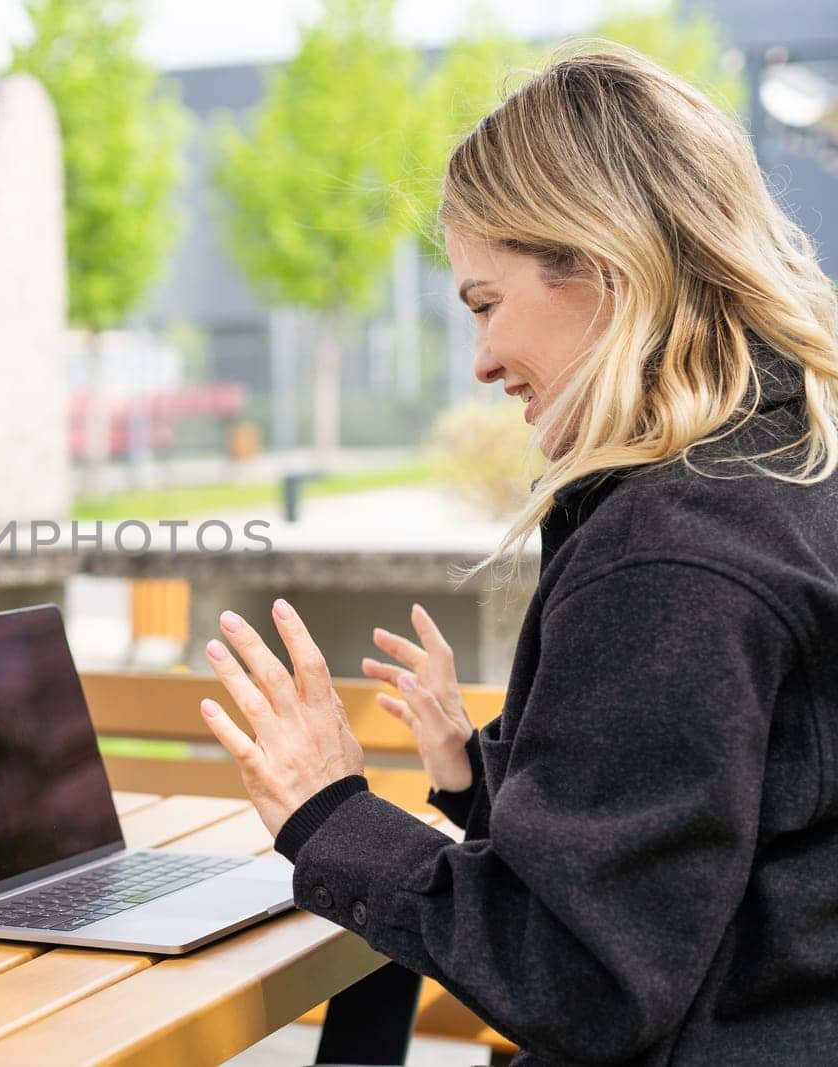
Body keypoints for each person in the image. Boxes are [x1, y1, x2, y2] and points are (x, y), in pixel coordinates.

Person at [198, 43, 838, 1066]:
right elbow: (719, 836)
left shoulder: (674, 556)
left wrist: (330, 813)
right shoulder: (791, 470)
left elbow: (585, 979)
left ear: (602, 267)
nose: (483, 359)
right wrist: (480, 777)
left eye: (485, 302)